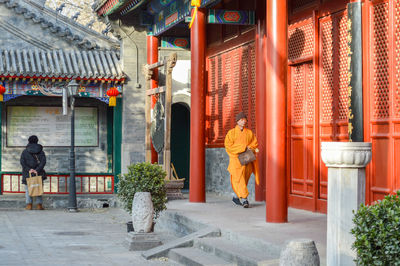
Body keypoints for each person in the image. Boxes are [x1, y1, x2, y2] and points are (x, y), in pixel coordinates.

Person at [224, 112, 259, 208]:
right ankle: (244, 199)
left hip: (246, 159)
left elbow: (254, 143)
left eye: (244, 119)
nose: (243, 121)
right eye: (241, 120)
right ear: (237, 121)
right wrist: (243, 147)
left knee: (244, 179)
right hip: (236, 159)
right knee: (238, 179)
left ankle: (235, 198)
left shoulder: (249, 133)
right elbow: (228, 146)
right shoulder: (231, 133)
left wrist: (250, 148)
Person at [20, 135, 47, 210]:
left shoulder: (25, 151)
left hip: (27, 173)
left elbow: (22, 162)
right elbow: (43, 162)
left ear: (29, 141)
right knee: (38, 187)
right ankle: (39, 205)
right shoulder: (41, 151)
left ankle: (29, 205)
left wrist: (29, 170)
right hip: (38, 173)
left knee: (28, 189)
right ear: (37, 141)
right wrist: (37, 170)